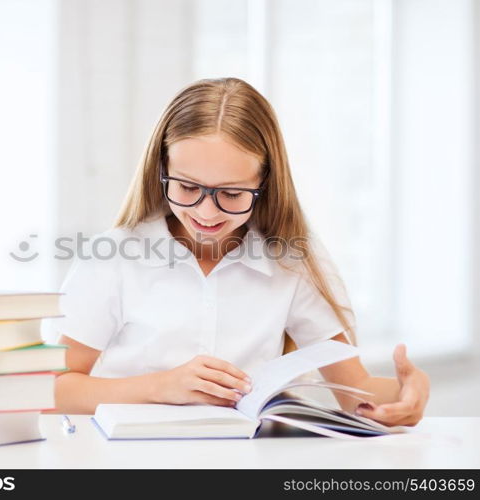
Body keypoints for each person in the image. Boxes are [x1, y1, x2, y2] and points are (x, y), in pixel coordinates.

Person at [53, 77, 430, 426]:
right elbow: (55, 389)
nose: (206, 212)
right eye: (187, 187)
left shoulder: (292, 260)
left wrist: (406, 394)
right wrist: (161, 387)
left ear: (265, 183)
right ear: (161, 170)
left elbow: (355, 391)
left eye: (232, 194)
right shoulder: (114, 257)